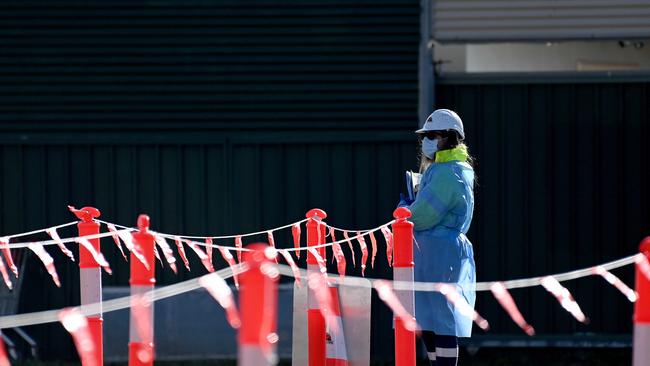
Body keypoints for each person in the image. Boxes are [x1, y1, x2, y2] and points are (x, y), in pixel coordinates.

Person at [398, 109, 476, 366]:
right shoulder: (446, 168)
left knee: (439, 319)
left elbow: (424, 215)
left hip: (439, 253)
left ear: (450, 137)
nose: (427, 141)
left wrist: (405, 210)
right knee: (427, 316)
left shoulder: (448, 172)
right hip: (432, 251)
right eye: (425, 136)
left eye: (433, 135)